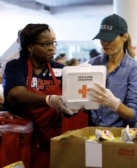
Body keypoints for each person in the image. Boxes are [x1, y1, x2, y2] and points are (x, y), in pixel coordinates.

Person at [2, 23, 74, 168]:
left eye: (53, 43)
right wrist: (49, 99)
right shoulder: (16, 66)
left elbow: (73, 99)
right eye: (46, 44)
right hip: (21, 138)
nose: (52, 47)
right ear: (30, 47)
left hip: (50, 140)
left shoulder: (61, 70)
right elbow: (16, 94)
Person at [87, 13, 137, 127]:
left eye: (110, 38)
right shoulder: (93, 64)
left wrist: (114, 104)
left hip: (119, 136)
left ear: (124, 37)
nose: (105, 43)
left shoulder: (134, 69)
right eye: (102, 38)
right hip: (92, 133)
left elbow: (133, 116)